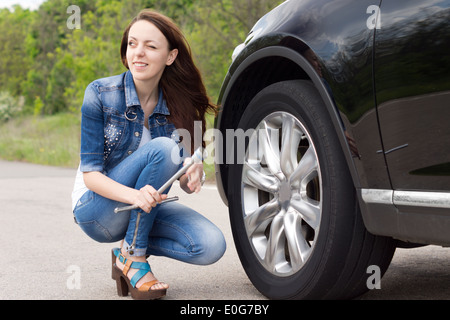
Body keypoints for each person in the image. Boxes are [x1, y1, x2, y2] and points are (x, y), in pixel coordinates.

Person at [71, 9, 226, 300]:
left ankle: (127, 251)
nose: (138, 53)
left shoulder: (183, 106)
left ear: (170, 56)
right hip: (97, 210)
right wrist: (135, 196)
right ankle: (134, 257)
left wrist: (193, 174)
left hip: (144, 207)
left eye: (151, 46)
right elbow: (91, 176)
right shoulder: (100, 94)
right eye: (132, 44)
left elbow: (182, 181)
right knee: (165, 148)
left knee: (210, 245)